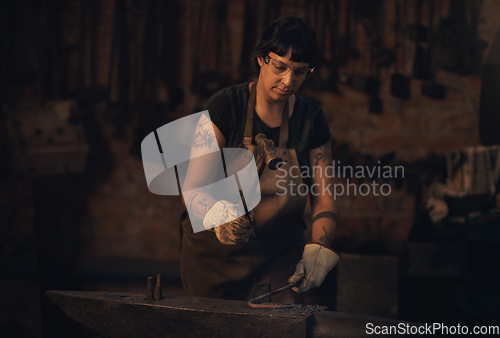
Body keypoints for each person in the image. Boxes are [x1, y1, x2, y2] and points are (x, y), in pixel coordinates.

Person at [179, 16, 340, 303]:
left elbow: (324, 198)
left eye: (301, 72)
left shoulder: (311, 119)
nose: (289, 81)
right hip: (213, 261)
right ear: (262, 60)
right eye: (280, 67)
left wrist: (319, 246)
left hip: (276, 259)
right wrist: (217, 216)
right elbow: (192, 188)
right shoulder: (225, 106)